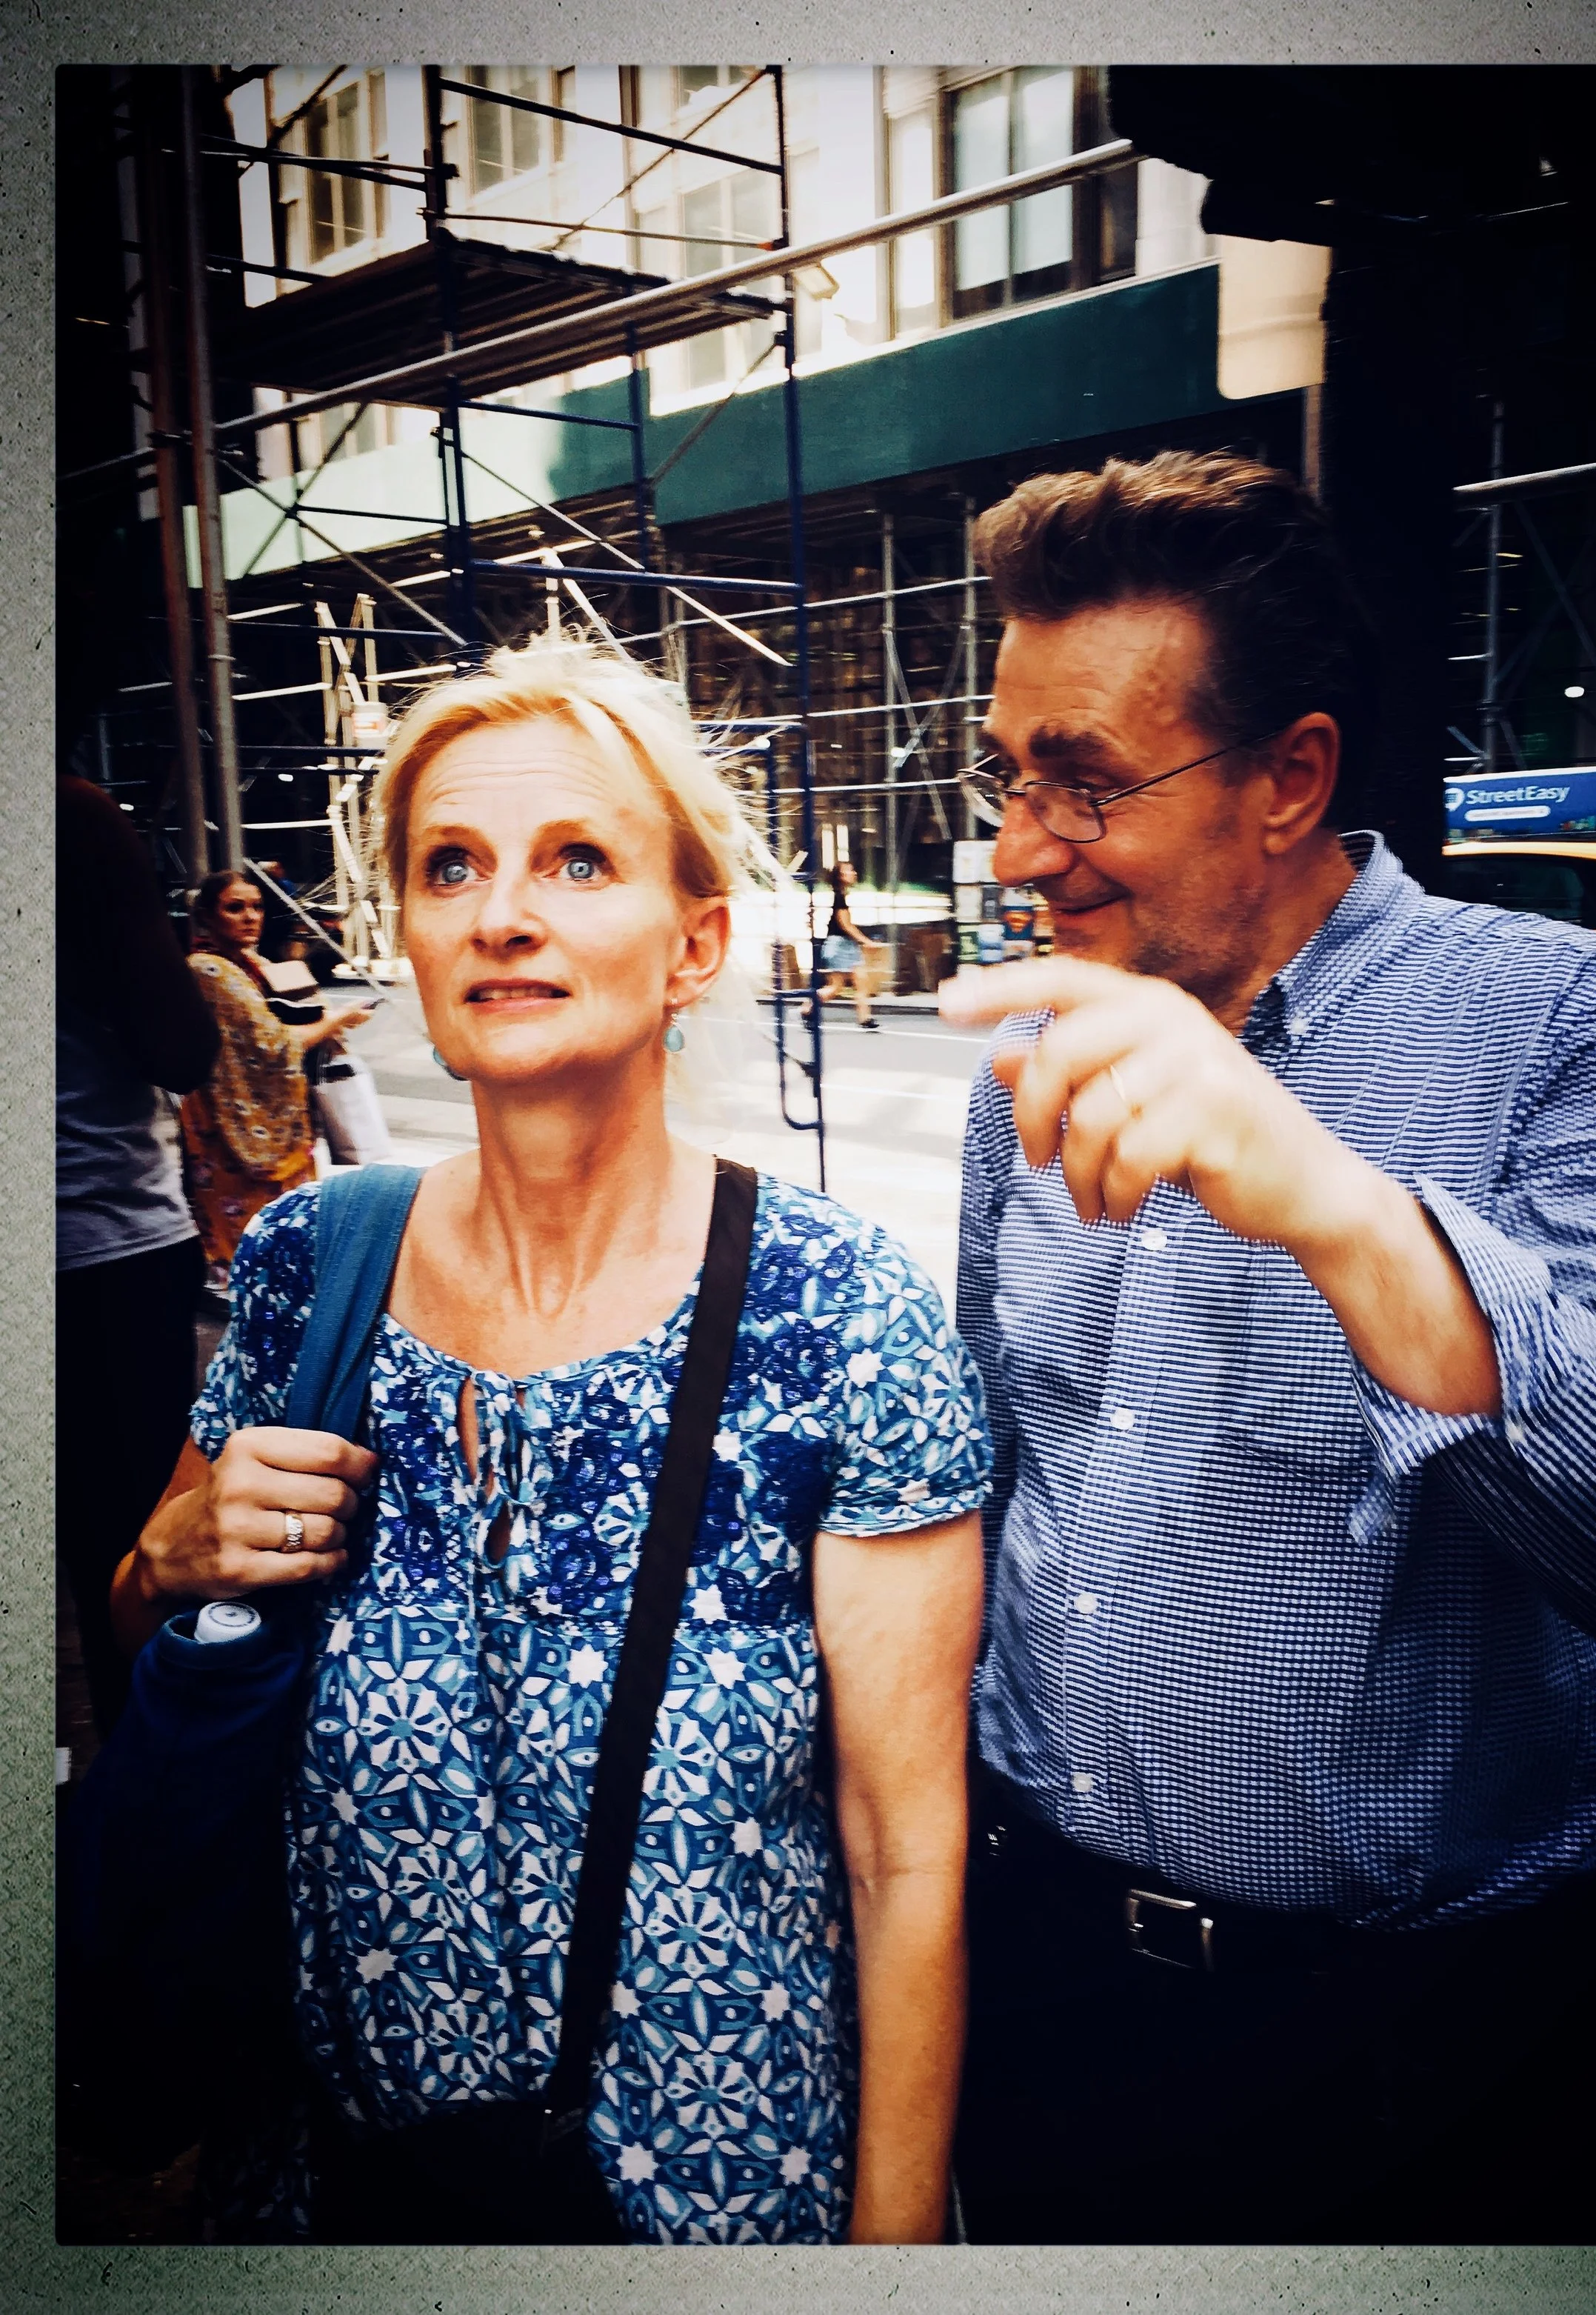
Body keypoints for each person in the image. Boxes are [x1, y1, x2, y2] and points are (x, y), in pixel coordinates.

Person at [938, 452, 1596, 2247]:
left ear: (1291, 777)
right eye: (1005, 773)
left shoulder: (1563, 1018)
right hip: (1042, 2000)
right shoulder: (1026, 1060)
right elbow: (997, 1470)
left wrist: (1342, 1211)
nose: (1019, 847)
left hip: (1412, 2056)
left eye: (1085, 785)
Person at [110, 639, 991, 2245]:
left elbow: (905, 1848)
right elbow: (154, 1629)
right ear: (417, 940)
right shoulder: (314, 1265)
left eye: (575, 859)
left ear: (692, 941)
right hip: (328, 2177)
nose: (500, 911)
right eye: (451, 865)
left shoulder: (839, 1310)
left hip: (722, 2191)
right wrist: (161, 1557)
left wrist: (892, 2245)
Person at [56, 773, 221, 1731]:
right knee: (142, 1543)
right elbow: (181, 1048)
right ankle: (152, 1786)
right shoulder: (70, 818)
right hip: (103, 1244)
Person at [178, 869, 370, 1281]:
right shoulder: (208, 970)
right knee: (250, 1248)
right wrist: (337, 1021)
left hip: (274, 1113)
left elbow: (293, 1017)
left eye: (257, 906)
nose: (250, 917)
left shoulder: (251, 964)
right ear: (208, 918)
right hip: (232, 1124)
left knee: (286, 1237)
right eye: (235, 908)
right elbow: (274, 1043)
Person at [817, 859, 879, 1029]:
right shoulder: (839, 897)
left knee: (861, 980)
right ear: (841, 876)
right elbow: (845, 925)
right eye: (849, 871)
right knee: (836, 987)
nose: (854, 873)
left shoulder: (842, 894)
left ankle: (865, 1018)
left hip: (845, 945)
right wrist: (866, 941)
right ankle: (808, 1008)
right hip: (839, 945)